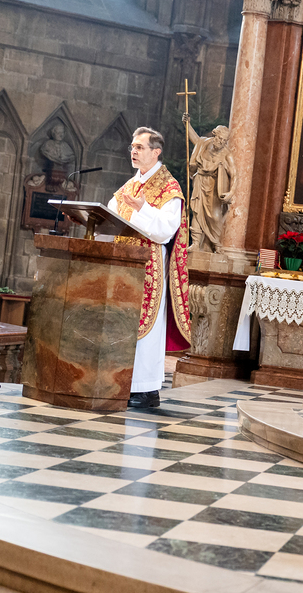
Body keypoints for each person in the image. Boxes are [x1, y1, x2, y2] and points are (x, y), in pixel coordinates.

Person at [109, 126, 192, 409]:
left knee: (147, 329)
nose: (133, 151)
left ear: (156, 152)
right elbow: (110, 214)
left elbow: (166, 231)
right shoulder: (130, 186)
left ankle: (145, 390)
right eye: (132, 147)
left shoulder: (170, 188)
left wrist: (143, 208)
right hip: (123, 264)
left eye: (140, 147)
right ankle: (120, 382)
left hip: (149, 267)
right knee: (123, 326)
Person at [184, 117, 235, 253]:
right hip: (200, 180)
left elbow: (234, 175)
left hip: (214, 187)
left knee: (216, 216)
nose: (221, 142)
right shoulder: (204, 143)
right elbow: (195, 139)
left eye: (224, 141)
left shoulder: (227, 154)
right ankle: (195, 243)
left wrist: (230, 192)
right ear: (214, 136)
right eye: (220, 139)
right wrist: (187, 124)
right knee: (197, 212)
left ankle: (216, 243)